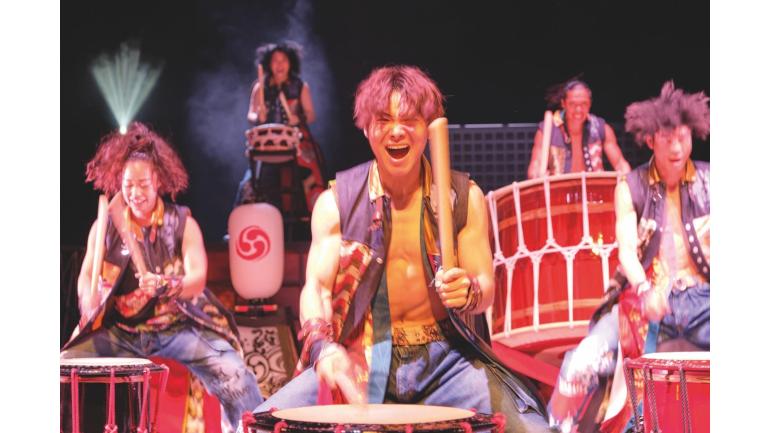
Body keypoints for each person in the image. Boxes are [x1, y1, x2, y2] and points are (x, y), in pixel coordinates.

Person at [242, 66, 550, 433]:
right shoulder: (337, 203)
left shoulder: (463, 198)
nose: (397, 131)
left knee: (532, 429)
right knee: (259, 426)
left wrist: (468, 291)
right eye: (384, 120)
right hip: (362, 357)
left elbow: (486, 288)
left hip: (447, 361)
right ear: (366, 127)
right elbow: (317, 289)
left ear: (428, 127)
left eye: (409, 120)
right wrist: (324, 349)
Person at [61, 122, 263, 432]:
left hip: (176, 331)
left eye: (143, 184)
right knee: (62, 365)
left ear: (157, 180)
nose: (135, 193)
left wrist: (167, 284)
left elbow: (197, 279)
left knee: (233, 371)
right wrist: (87, 297)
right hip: (121, 332)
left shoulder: (181, 223)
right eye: (128, 185)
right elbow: (87, 272)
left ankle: (249, 429)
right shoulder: (106, 227)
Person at [547, 81, 710, 432]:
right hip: (646, 297)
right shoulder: (631, 186)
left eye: (683, 138)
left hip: (706, 299)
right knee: (583, 363)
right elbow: (626, 250)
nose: (677, 148)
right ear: (650, 140)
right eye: (667, 139)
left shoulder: (712, 181)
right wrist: (645, 289)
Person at [236, 41, 325, 217]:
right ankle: (249, 218)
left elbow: (311, 114)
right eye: (275, 61)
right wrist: (258, 116)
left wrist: (298, 118)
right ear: (269, 64)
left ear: (290, 62)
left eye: (283, 60)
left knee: (312, 175)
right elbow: (250, 115)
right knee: (250, 181)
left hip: (296, 141)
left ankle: (313, 216)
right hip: (267, 142)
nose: (279, 64)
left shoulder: (300, 86)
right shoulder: (260, 87)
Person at [527, 79, 631, 179]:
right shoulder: (548, 130)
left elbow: (620, 163)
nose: (578, 110)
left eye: (584, 104)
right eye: (573, 104)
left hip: (593, 188)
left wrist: (627, 180)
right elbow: (535, 166)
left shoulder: (600, 128)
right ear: (563, 104)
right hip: (559, 189)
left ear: (590, 104)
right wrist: (537, 175)